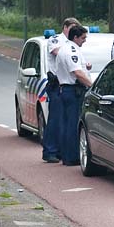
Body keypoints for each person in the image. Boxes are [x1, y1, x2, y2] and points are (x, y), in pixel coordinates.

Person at [42, 17, 81, 163]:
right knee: (56, 118)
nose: (73, 30)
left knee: (67, 120)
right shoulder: (55, 40)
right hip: (56, 83)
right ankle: (50, 150)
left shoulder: (73, 45)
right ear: (65, 27)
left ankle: (63, 151)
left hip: (69, 84)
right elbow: (59, 53)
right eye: (72, 27)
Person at [56, 25, 93, 166]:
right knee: (73, 125)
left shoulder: (66, 48)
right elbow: (77, 73)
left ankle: (67, 155)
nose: (84, 40)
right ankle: (72, 157)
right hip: (73, 91)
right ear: (75, 37)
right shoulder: (72, 51)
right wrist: (92, 86)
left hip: (66, 90)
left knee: (67, 124)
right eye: (83, 38)